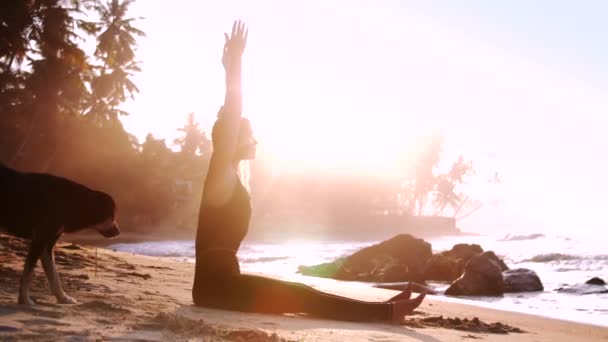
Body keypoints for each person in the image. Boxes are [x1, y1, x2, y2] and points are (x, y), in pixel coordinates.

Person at [192, 20, 425, 323]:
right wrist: (234, 67)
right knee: (299, 294)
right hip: (216, 289)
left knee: (297, 291)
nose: (255, 140)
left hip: (220, 285)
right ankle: (385, 313)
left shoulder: (231, 178)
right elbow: (232, 112)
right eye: (248, 135)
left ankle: (383, 308)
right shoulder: (220, 172)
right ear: (232, 138)